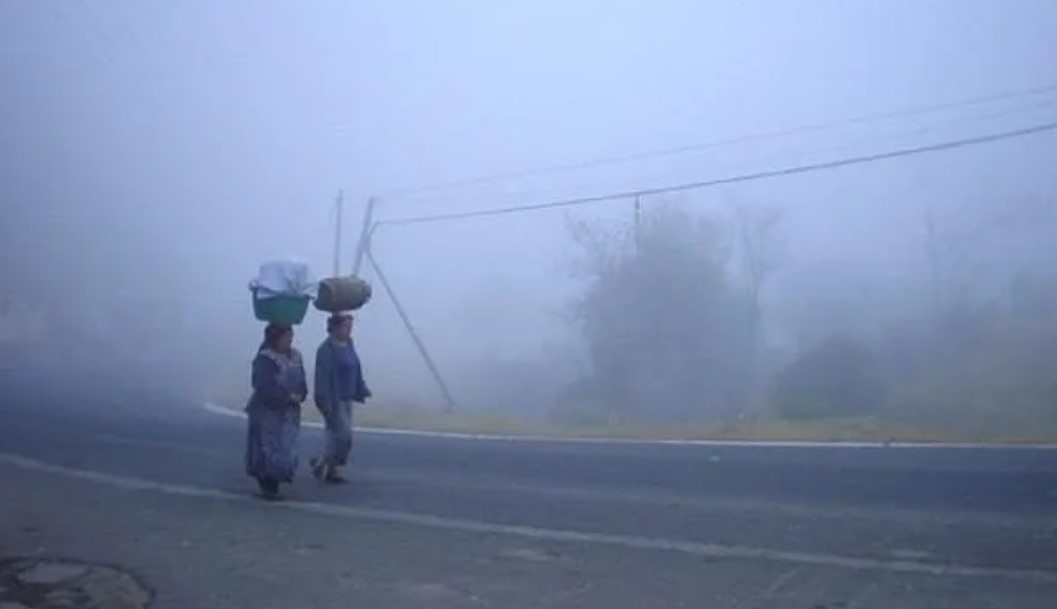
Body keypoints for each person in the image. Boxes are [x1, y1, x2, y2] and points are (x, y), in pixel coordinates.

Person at [245, 323, 307, 500]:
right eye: (286, 336)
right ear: (275, 338)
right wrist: (285, 397)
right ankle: (268, 485)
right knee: (267, 449)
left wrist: (300, 395)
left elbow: (302, 381)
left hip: (289, 413)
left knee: (286, 448)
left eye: (291, 336)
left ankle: (275, 480)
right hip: (267, 411)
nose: (290, 340)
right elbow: (261, 385)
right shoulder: (265, 358)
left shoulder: (296, 356)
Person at [311, 313, 371, 483]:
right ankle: (322, 463)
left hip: (347, 397)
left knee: (336, 436)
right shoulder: (326, 350)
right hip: (333, 398)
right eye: (346, 326)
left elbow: (355, 367)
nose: (349, 330)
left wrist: (361, 387)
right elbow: (322, 377)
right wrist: (323, 401)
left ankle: (331, 469)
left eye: (350, 327)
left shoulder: (349, 344)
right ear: (335, 327)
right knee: (343, 436)